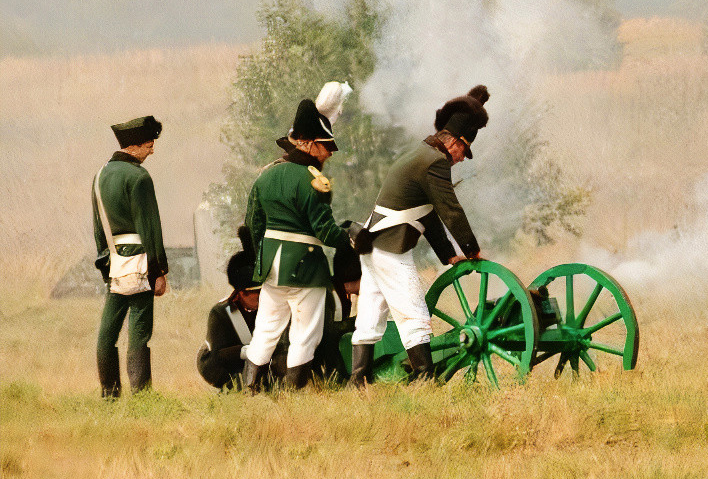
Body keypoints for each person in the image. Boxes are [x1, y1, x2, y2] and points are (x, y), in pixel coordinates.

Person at [348, 86, 490, 386]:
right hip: (390, 248)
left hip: (375, 242)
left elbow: (426, 213)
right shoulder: (435, 162)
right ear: (452, 142)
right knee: (414, 311)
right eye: (463, 150)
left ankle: (357, 381)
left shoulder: (421, 153)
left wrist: (449, 254)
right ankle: (424, 378)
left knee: (371, 315)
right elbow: (450, 210)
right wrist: (471, 249)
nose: (462, 158)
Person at [242, 89, 360, 392]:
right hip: (305, 267)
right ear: (308, 144)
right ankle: (294, 393)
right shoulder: (314, 181)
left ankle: (249, 390)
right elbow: (325, 231)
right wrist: (351, 240)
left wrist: (261, 260)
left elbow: (253, 226)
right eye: (325, 146)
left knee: (266, 331)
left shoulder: (264, 177)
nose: (329, 153)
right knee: (306, 334)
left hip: (271, 266)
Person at [92, 115, 169, 398]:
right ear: (135, 146)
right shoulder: (139, 177)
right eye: (149, 145)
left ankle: (109, 395)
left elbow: (98, 228)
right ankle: (141, 398)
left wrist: (107, 265)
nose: (152, 151)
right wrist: (158, 270)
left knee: (106, 334)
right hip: (140, 261)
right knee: (139, 331)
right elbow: (150, 226)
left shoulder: (100, 176)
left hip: (115, 263)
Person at [197, 226, 286, 389]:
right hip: (221, 367)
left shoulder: (272, 308)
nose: (264, 298)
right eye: (257, 294)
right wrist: (249, 350)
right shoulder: (220, 313)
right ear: (242, 294)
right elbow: (219, 354)